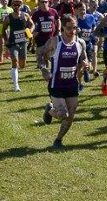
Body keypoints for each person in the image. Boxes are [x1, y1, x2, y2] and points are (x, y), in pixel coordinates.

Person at [38, 15, 89, 148]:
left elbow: (84, 58)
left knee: (70, 116)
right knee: (62, 114)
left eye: (75, 28)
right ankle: (50, 109)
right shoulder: (55, 41)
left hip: (72, 83)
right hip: (56, 84)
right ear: (63, 28)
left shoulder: (80, 42)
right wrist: (43, 69)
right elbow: (41, 53)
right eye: (69, 28)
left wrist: (85, 64)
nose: (72, 30)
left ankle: (58, 140)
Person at [4, 0, 35, 91]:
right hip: (13, 42)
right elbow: (3, 30)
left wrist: (30, 31)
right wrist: (6, 40)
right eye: (14, 5)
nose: (16, 6)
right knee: (14, 61)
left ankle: (13, 71)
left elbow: (32, 25)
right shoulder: (8, 17)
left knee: (22, 65)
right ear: (11, 6)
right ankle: (16, 85)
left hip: (23, 42)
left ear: (21, 6)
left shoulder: (25, 15)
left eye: (18, 5)